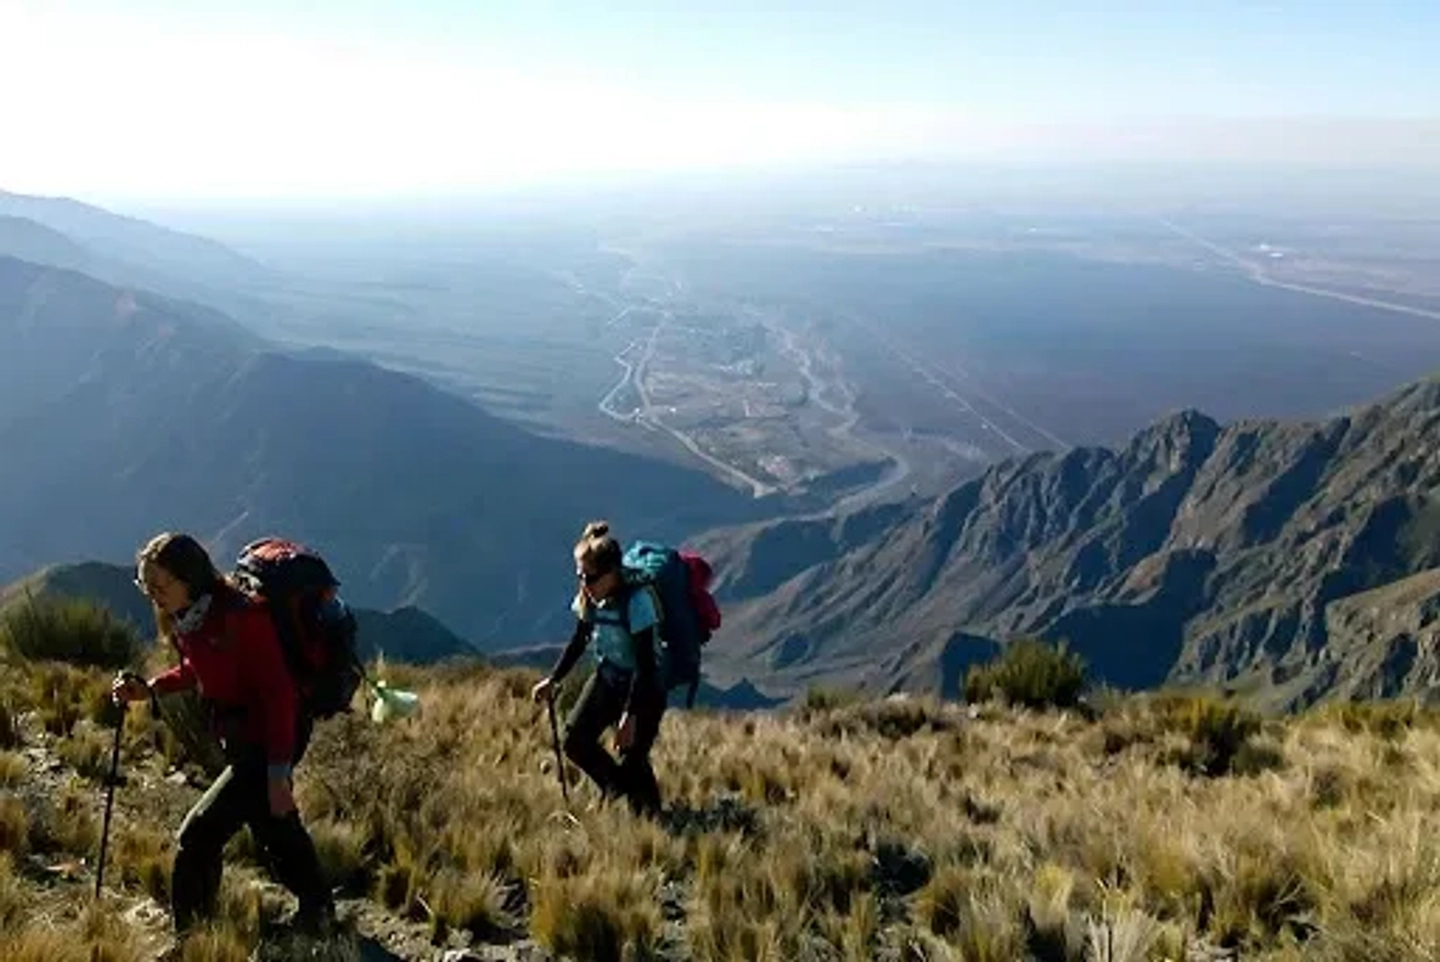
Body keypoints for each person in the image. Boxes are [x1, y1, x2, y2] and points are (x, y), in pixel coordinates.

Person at [111, 532, 335, 938]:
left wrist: (278, 773)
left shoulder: (241, 617)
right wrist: (151, 688)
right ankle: (318, 909)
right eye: (146, 585)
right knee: (274, 825)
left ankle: (193, 940)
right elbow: (199, 669)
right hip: (244, 738)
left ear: (189, 578)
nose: (153, 595)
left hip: (270, 738)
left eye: (160, 585)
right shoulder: (190, 618)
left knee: (198, 835)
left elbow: (278, 695)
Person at [531, 521, 667, 817]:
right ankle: (617, 789)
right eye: (580, 575)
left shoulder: (637, 602)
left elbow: (645, 664)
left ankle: (651, 819)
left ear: (612, 572)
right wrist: (553, 679)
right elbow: (579, 640)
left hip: (644, 687)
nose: (585, 583)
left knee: (633, 758)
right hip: (608, 677)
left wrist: (629, 716)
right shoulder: (591, 599)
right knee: (574, 742)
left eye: (590, 577)